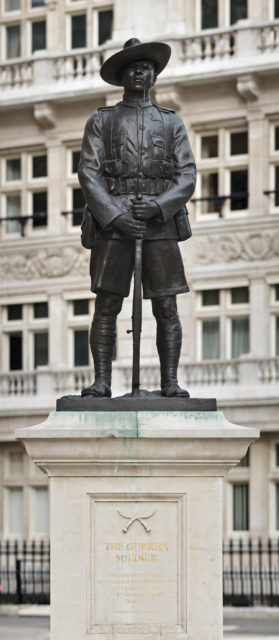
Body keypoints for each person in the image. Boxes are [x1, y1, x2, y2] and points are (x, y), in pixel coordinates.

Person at [78, 37, 196, 398]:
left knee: (165, 303)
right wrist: (114, 216)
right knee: (108, 302)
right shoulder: (102, 120)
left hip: (159, 223)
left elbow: (187, 174)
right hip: (113, 223)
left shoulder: (171, 123)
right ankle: (102, 382)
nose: (140, 73)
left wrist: (160, 206)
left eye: (146, 67)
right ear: (122, 76)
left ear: (154, 76)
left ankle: (170, 382)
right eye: (133, 68)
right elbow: (88, 172)